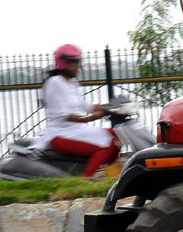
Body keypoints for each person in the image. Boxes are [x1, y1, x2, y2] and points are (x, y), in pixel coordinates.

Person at [30, 44, 119, 177]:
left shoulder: (71, 83)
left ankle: (108, 173)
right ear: (62, 62)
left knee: (119, 133)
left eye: (77, 62)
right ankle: (86, 180)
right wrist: (91, 118)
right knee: (107, 146)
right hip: (61, 134)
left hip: (76, 130)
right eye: (72, 62)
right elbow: (66, 115)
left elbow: (86, 106)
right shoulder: (54, 82)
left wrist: (114, 106)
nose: (76, 65)